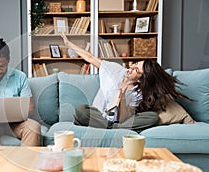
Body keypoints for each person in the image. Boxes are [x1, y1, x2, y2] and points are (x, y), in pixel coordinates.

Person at [61, 33, 191, 131]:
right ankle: (113, 129)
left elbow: (123, 118)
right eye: (134, 64)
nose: (131, 68)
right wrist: (69, 44)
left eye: (136, 70)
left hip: (120, 122)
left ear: (140, 79)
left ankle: (111, 129)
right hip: (101, 117)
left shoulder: (137, 94)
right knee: (81, 111)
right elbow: (90, 57)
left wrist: (123, 92)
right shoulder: (114, 70)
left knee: (152, 117)